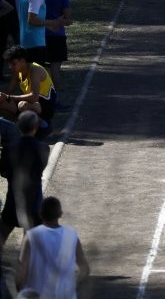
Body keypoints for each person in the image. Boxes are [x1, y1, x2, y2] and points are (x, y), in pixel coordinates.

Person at [16, 197, 90, 298]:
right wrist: (72, 284)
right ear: (60, 214)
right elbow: (85, 268)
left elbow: (21, 272)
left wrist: (19, 290)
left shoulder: (31, 237)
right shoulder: (71, 235)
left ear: (40, 214)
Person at [0, 112, 48, 249]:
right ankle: (26, 266)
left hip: (13, 198)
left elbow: (3, 170)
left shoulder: (9, 149)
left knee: (2, 233)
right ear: (35, 127)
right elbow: (41, 168)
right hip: (35, 199)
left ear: (18, 126)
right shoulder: (43, 148)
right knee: (30, 241)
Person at [16, 0, 64, 67]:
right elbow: (32, 20)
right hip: (35, 42)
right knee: (36, 77)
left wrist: (48, 26)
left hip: (25, 40)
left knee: (29, 77)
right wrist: (54, 22)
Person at [0, 45, 59, 128]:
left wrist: (8, 97)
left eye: (13, 64)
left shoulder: (35, 70)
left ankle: (42, 124)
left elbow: (34, 97)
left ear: (22, 60)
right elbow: (8, 90)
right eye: (10, 64)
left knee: (22, 105)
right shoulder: (17, 72)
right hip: (30, 105)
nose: (10, 67)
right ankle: (23, 125)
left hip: (44, 108)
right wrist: (2, 96)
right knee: (1, 104)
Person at [42, 0, 71, 93]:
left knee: (39, 66)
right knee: (55, 67)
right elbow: (67, 18)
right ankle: (56, 95)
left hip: (38, 34)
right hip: (56, 35)